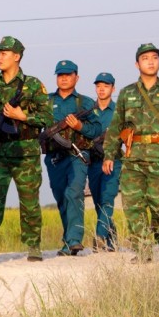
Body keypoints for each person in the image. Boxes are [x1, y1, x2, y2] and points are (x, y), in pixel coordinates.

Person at [102, 43, 159, 262]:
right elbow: (116, 126)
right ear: (137, 64)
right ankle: (143, 250)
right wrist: (109, 154)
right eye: (145, 58)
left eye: (154, 57)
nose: (151, 61)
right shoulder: (127, 93)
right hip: (133, 157)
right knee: (133, 205)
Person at [0, 36, 53, 262]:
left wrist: (23, 116)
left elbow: (48, 117)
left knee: (29, 200)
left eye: (4, 53)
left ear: (17, 57)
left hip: (25, 151)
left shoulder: (32, 84)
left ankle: (33, 246)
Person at [42, 60, 102, 257]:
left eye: (68, 74)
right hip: (54, 158)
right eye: (60, 75)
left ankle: (75, 239)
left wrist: (79, 127)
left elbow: (96, 130)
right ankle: (69, 241)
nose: (64, 78)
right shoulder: (46, 101)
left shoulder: (84, 103)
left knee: (74, 192)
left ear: (77, 77)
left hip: (77, 154)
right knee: (61, 198)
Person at [87, 72, 120, 252]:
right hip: (93, 162)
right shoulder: (89, 110)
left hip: (114, 162)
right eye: (98, 85)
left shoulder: (118, 111)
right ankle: (112, 239)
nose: (101, 89)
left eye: (106, 86)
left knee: (107, 199)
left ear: (112, 89)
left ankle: (99, 237)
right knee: (99, 203)